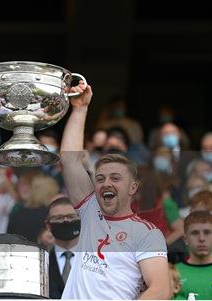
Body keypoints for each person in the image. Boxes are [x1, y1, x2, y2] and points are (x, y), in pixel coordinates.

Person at [59, 82, 170, 299]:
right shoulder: (90, 208)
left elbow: (160, 290)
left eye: (115, 178)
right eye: (100, 178)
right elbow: (69, 159)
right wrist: (80, 109)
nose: (106, 183)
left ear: (133, 187)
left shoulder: (147, 233)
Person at [173, 211, 212, 300]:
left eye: (207, 232)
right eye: (195, 233)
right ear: (185, 239)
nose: (201, 238)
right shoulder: (171, 273)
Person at [45, 197, 81, 299]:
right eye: (59, 218)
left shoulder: (97, 259)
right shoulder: (41, 263)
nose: (66, 221)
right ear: (48, 225)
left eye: (71, 217)